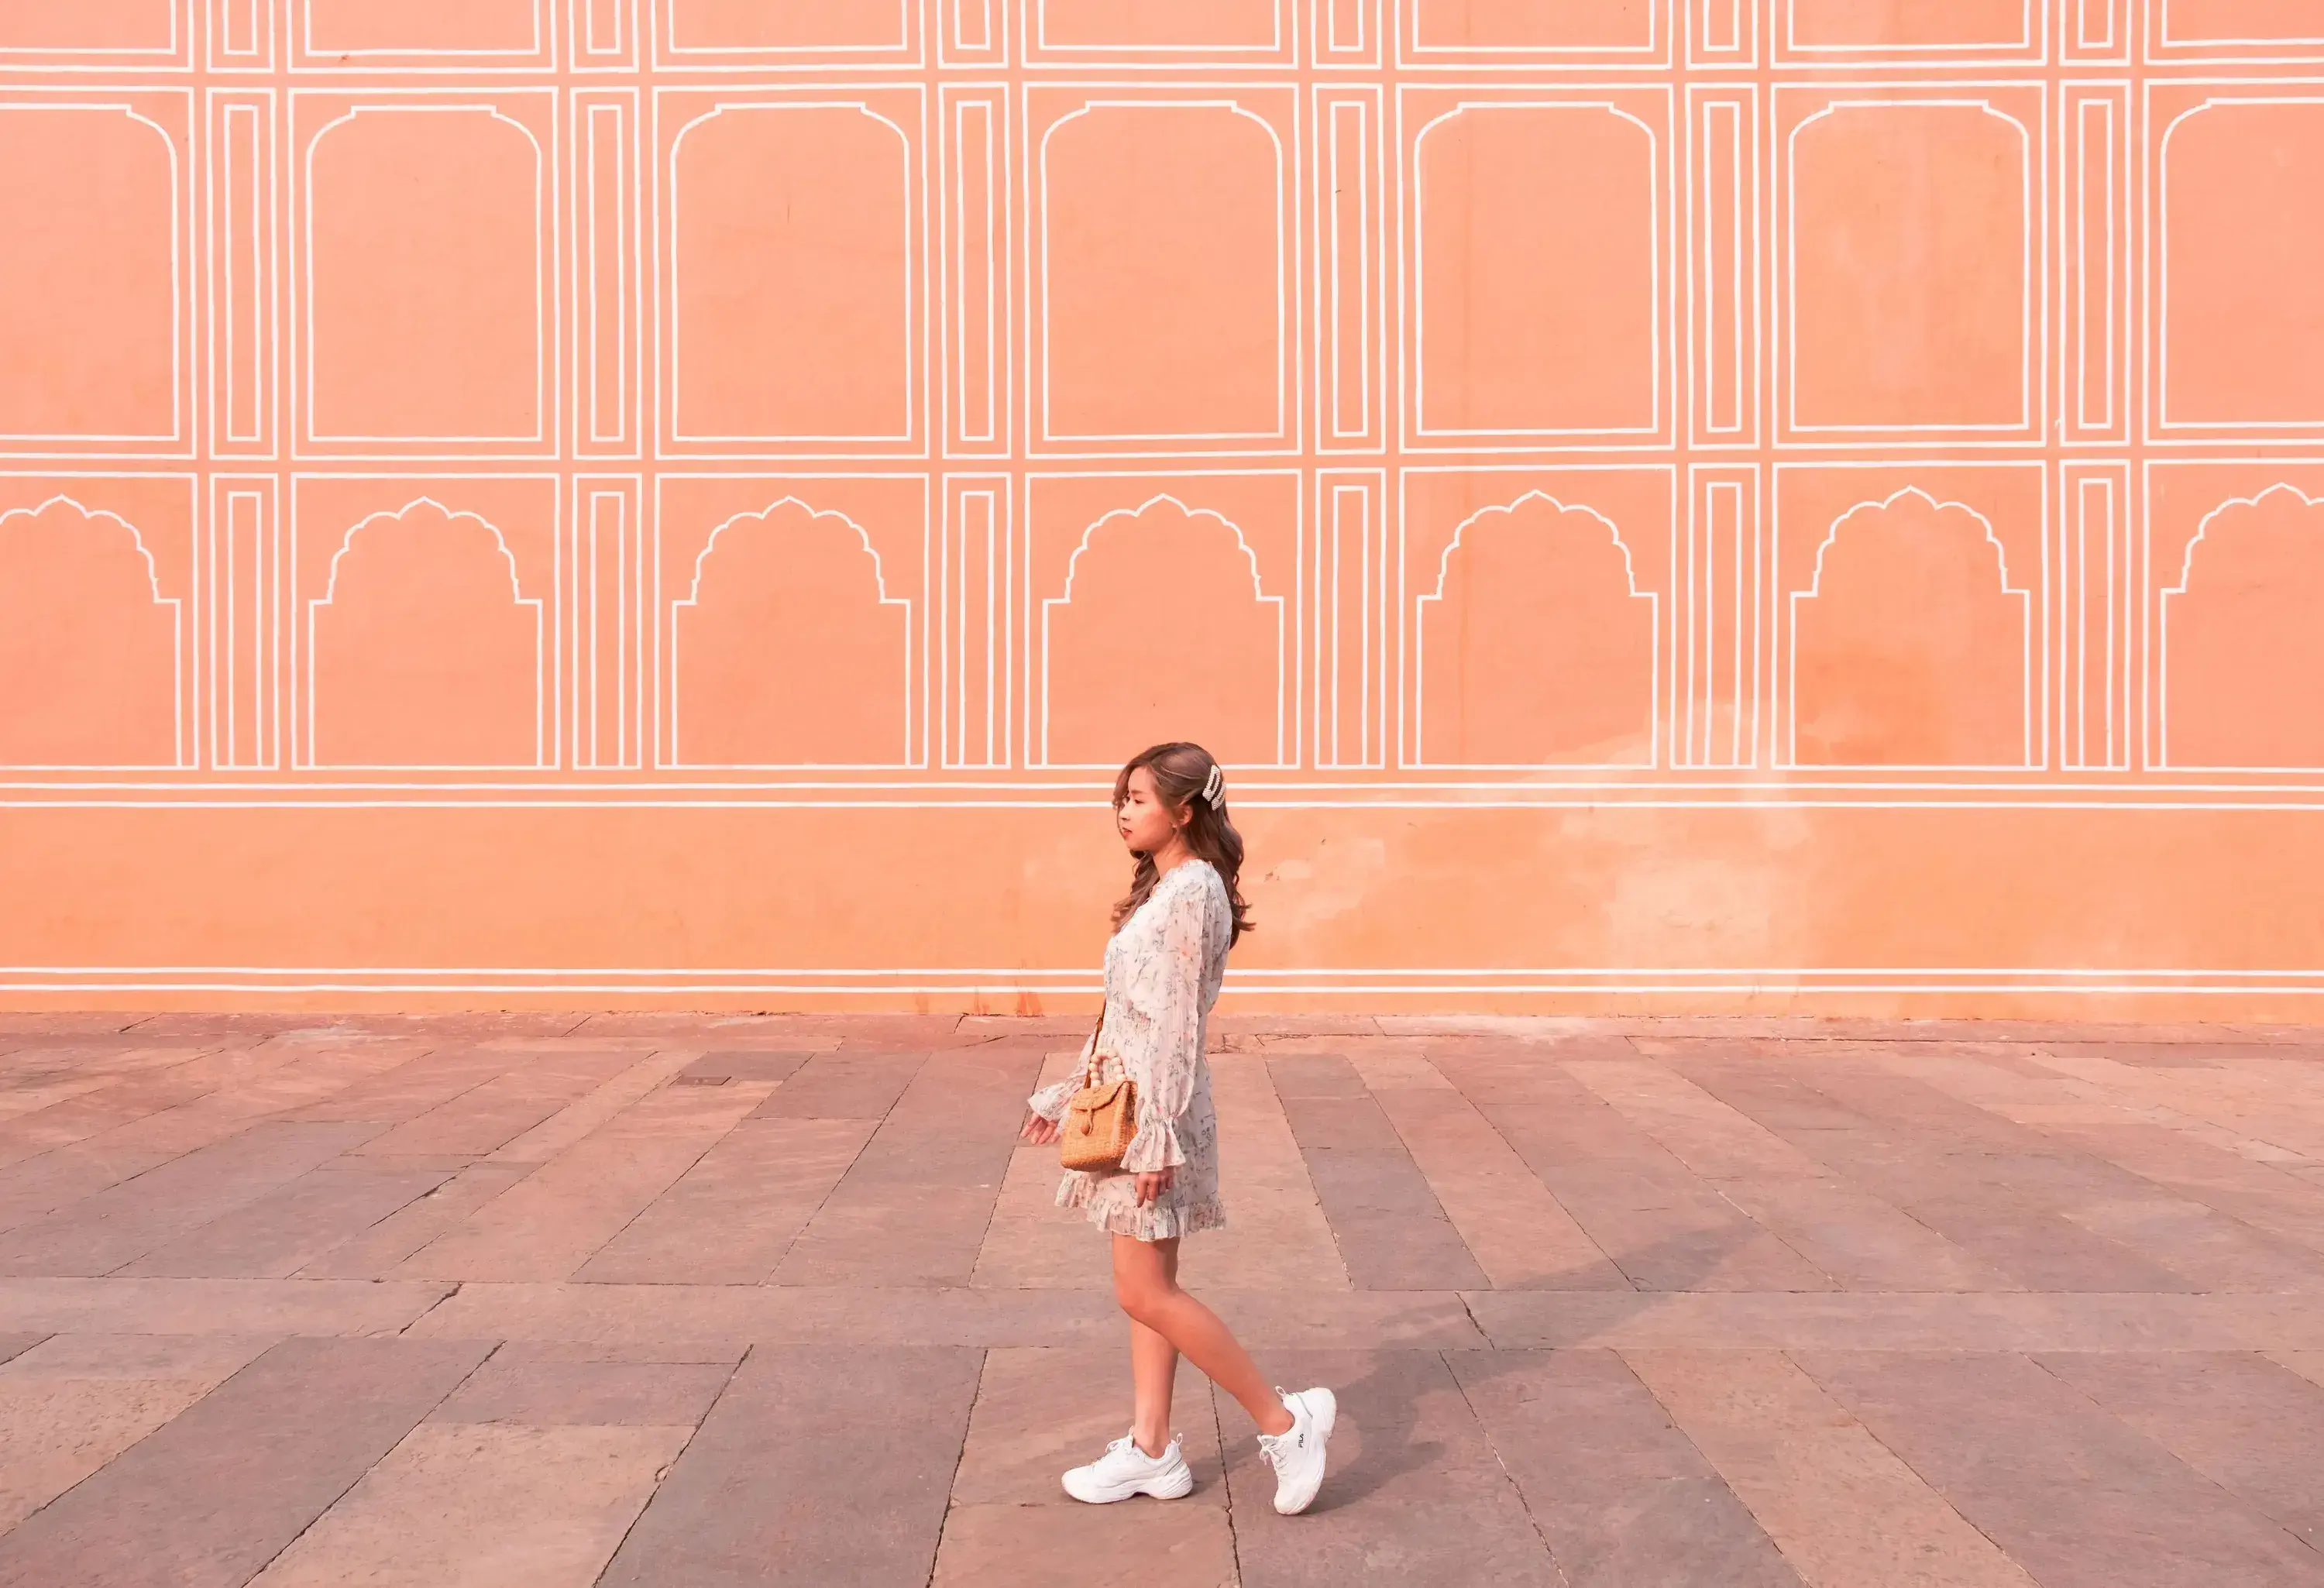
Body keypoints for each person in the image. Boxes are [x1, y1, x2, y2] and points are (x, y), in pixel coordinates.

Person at [1019, 741, 1336, 1515]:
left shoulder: (1192, 890)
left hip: (1156, 1114)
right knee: (1149, 1287)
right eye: (1120, 798)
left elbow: (1178, 1029)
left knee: (1143, 1291)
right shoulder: (1166, 889)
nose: (1124, 812)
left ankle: (1285, 1421)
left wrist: (1156, 1131)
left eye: (1139, 798)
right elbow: (1130, 1016)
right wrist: (1068, 1092)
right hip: (1137, 1106)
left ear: (1185, 809)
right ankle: (1154, 1449)